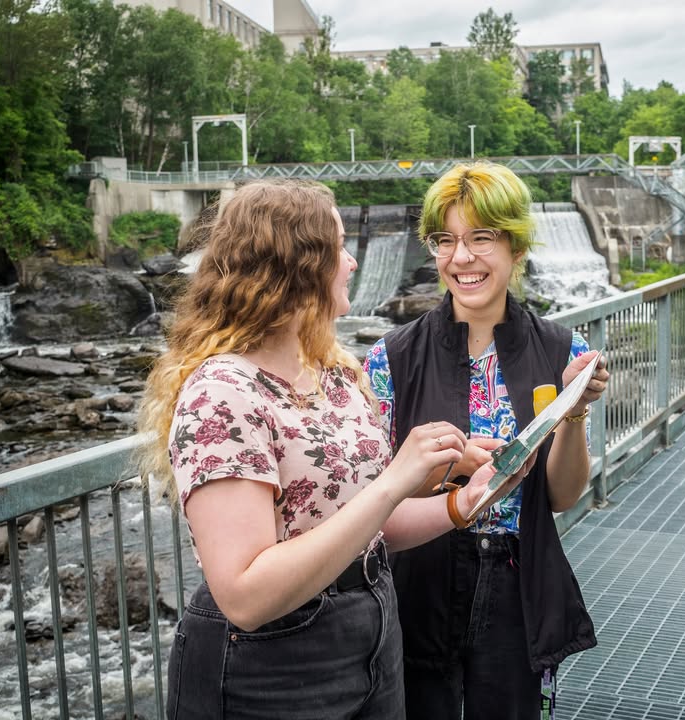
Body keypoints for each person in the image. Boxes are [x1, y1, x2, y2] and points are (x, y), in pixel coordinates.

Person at [137, 179, 521, 720]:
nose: (352, 263)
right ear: (299, 265)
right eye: (339, 248)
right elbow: (245, 597)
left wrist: (460, 501)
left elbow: (364, 524)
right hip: (271, 666)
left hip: (373, 632)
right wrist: (394, 480)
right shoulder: (221, 393)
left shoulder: (335, 373)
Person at [363, 162, 610, 720]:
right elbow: (371, 499)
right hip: (417, 581)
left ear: (516, 247)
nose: (461, 258)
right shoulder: (390, 360)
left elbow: (564, 495)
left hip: (515, 581)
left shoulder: (560, 352)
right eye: (445, 240)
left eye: (481, 238)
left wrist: (574, 414)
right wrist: (450, 471)